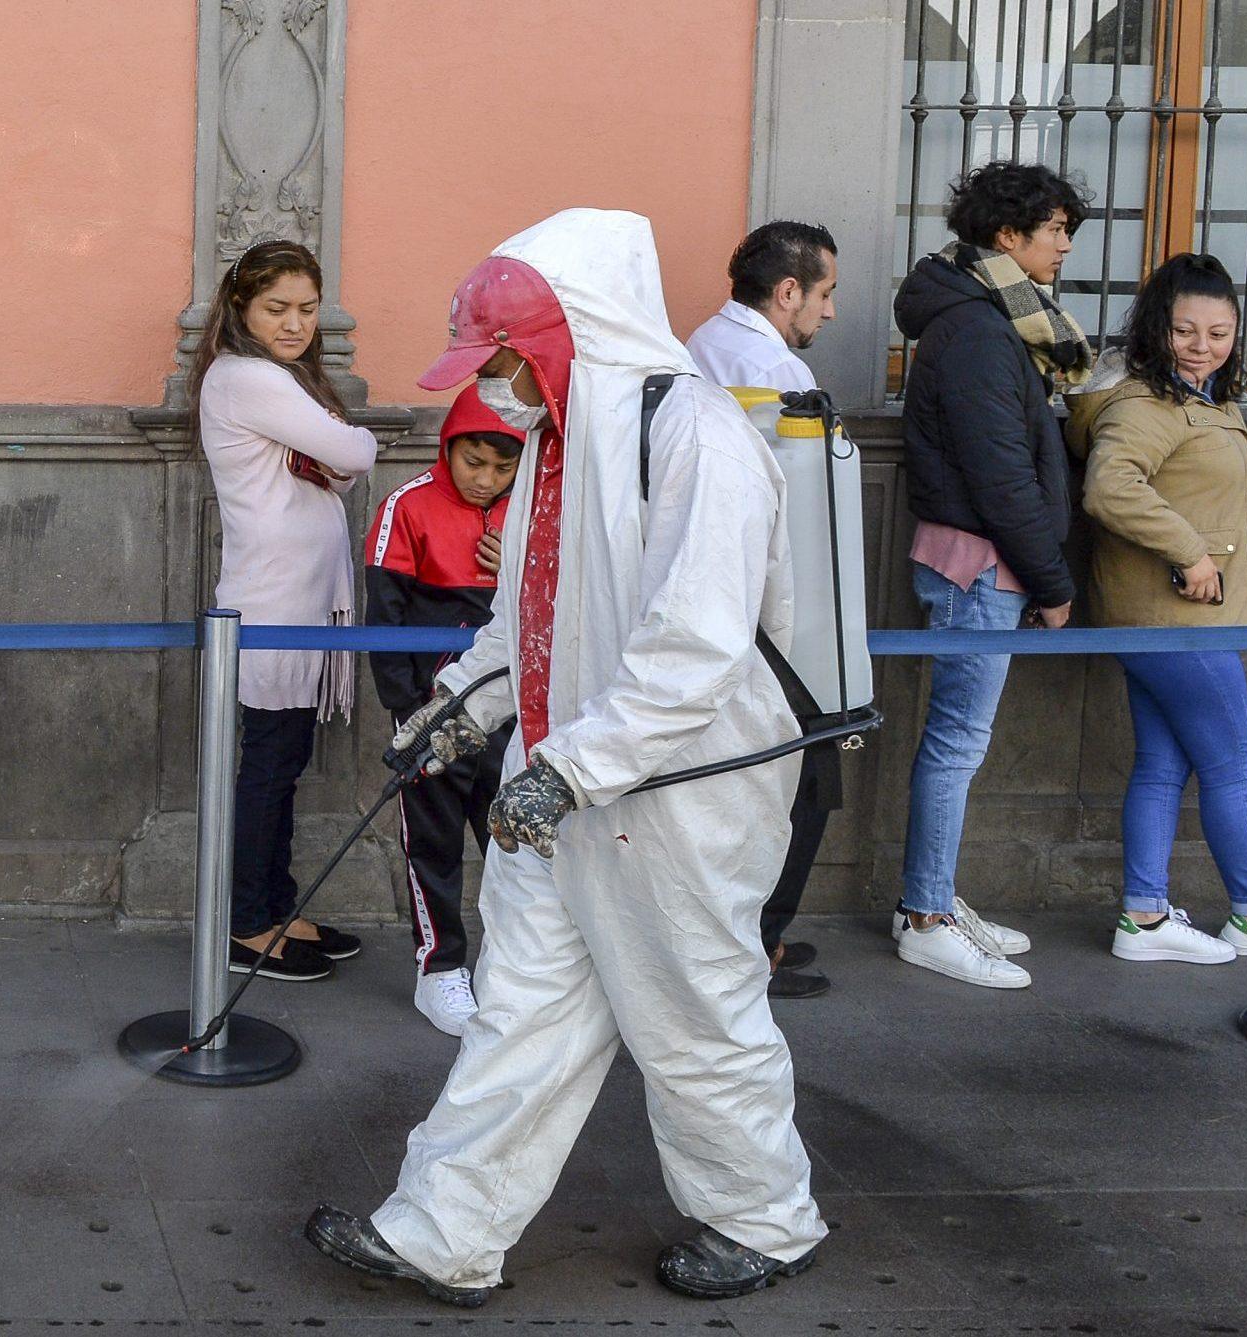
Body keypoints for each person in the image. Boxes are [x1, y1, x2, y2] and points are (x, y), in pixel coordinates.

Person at [306, 209, 825, 1305]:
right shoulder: (556, 443)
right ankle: (444, 1230)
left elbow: (695, 647)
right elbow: (527, 617)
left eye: (504, 360)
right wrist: (456, 707)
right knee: (522, 1016)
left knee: (694, 1012)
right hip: (563, 785)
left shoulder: (696, 439)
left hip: (676, 794)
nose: (494, 388)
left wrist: (571, 769)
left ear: (572, 336)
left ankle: (764, 1218)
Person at [1068, 253, 1247, 964]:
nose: (1202, 346)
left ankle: (1144, 916)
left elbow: (1199, 479)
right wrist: (1190, 553)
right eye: (1185, 330)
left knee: (1163, 764)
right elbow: (1111, 486)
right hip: (1179, 619)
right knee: (1232, 763)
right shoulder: (1145, 401)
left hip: (1161, 619)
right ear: (1156, 327)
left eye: (1219, 333)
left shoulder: (1200, 398)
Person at [891, 161, 1094, 989]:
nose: (1065, 246)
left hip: (979, 557)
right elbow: (1001, 475)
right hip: (981, 563)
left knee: (956, 740)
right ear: (1008, 236)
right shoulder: (978, 329)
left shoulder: (987, 315)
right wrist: (1053, 583)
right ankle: (925, 916)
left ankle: (932, 896)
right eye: (1055, 230)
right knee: (956, 742)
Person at [191, 239, 383, 983]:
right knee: (270, 766)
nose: (296, 323)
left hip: (302, 597)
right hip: (272, 600)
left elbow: (335, 470)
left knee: (284, 761)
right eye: (277, 308)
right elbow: (354, 454)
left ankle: (274, 905)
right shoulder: (247, 377)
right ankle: (246, 924)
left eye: (307, 308)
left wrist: (335, 452)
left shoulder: (276, 379)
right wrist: (348, 442)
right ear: (241, 307)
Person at [685, 220, 841, 1001]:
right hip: (769, 604)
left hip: (709, 591)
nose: (830, 311)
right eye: (825, 293)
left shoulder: (700, 342)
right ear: (787, 292)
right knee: (806, 772)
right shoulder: (777, 369)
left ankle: (745, 935)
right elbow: (802, 509)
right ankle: (759, 945)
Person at [364, 386, 520, 1034]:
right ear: (448, 447)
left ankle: (515, 970)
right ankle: (440, 968)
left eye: (503, 467)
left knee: (512, 843)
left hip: (510, 710)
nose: (486, 480)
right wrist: (409, 708)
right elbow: (384, 615)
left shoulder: (532, 507)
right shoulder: (408, 506)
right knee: (432, 840)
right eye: (473, 462)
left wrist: (516, 563)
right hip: (432, 711)